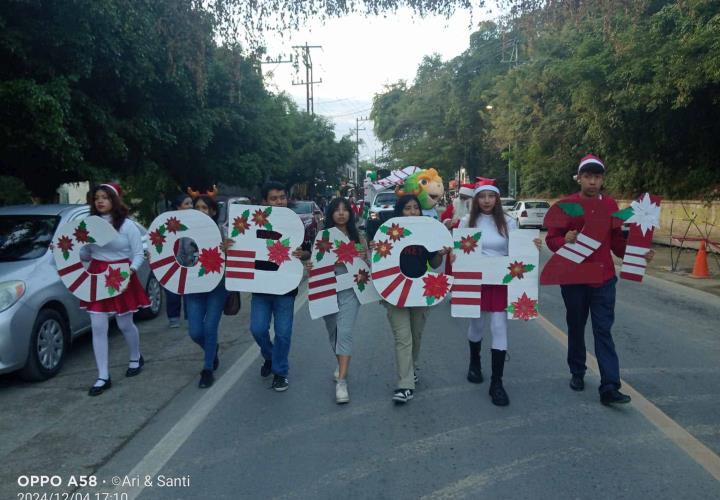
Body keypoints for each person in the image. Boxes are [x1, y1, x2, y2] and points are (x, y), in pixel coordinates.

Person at [545, 155, 654, 406]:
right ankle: (577, 371)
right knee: (576, 326)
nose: (592, 182)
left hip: (604, 279)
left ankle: (609, 386)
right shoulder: (567, 206)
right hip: (574, 278)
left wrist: (638, 253)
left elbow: (617, 241)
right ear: (579, 178)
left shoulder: (611, 205)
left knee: (603, 330)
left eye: (597, 177)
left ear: (602, 179)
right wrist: (565, 240)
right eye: (588, 177)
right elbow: (552, 240)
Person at [459, 178, 542, 406]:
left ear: (497, 198)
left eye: (491, 196)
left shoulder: (508, 222)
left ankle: (497, 383)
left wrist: (531, 247)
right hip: (475, 280)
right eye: (482, 196)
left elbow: (517, 251)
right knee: (476, 325)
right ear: (476, 199)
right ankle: (474, 362)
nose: (486, 201)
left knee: (498, 326)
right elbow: (459, 252)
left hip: (500, 280)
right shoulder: (467, 221)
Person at [378, 194, 453, 404]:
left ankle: (411, 367)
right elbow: (379, 263)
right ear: (399, 211)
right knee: (403, 338)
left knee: (416, 336)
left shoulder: (427, 232)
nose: (412, 212)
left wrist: (441, 253)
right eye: (407, 208)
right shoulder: (389, 232)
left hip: (420, 292)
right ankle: (405, 384)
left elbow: (435, 264)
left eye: (415, 208)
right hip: (395, 293)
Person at [80, 183, 150, 396]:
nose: (100, 201)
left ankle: (135, 356)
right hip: (97, 275)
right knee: (98, 326)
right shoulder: (87, 225)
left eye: (105, 197)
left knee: (124, 323)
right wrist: (64, 249)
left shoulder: (127, 226)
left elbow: (138, 254)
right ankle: (103, 376)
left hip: (121, 275)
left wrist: (130, 271)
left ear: (114, 200)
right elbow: (84, 255)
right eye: (96, 198)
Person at [250, 181, 312, 392]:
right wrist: (229, 245)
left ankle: (280, 372)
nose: (279, 202)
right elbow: (242, 247)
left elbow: (307, 252)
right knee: (257, 329)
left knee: (283, 333)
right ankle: (270, 356)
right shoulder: (253, 223)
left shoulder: (295, 223)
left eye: (282, 197)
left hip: (285, 287)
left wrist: (301, 254)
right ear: (265, 202)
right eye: (274, 198)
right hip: (260, 286)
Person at [305, 197, 367, 404]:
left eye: (345, 210)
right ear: (331, 213)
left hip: (351, 290)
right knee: (334, 333)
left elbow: (365, 263)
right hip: (327, 289)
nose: (341, 213)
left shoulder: (358, 235)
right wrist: (313, 266)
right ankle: (341, 363)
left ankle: (342, 381)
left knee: (345, 332)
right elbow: (317, 263)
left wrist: (365, 255)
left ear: (350, 213)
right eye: (337, 210)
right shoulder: (323, 236)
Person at [183, 193, 233, 389]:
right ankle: (212, 349)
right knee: (195, 332)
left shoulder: (222, 232)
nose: (201, 211)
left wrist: (227, 251)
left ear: (212, 211)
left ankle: (207, 369)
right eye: (197, 207)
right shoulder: (184, 234)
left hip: (216, 287)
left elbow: (233, 260)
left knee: (210, 327)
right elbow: (179, 259)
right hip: (193, 288)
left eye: (205, 208)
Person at [166, 193, 193, 328]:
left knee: (189, 290)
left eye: (190, 203)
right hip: (172, 261)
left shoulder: (195, 220)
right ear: (178, 206)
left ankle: (191, 315)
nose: (190, 206)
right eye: (186, 204)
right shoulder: (168, 222)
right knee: (173, 290)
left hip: (189, 261)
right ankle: (173, 317)